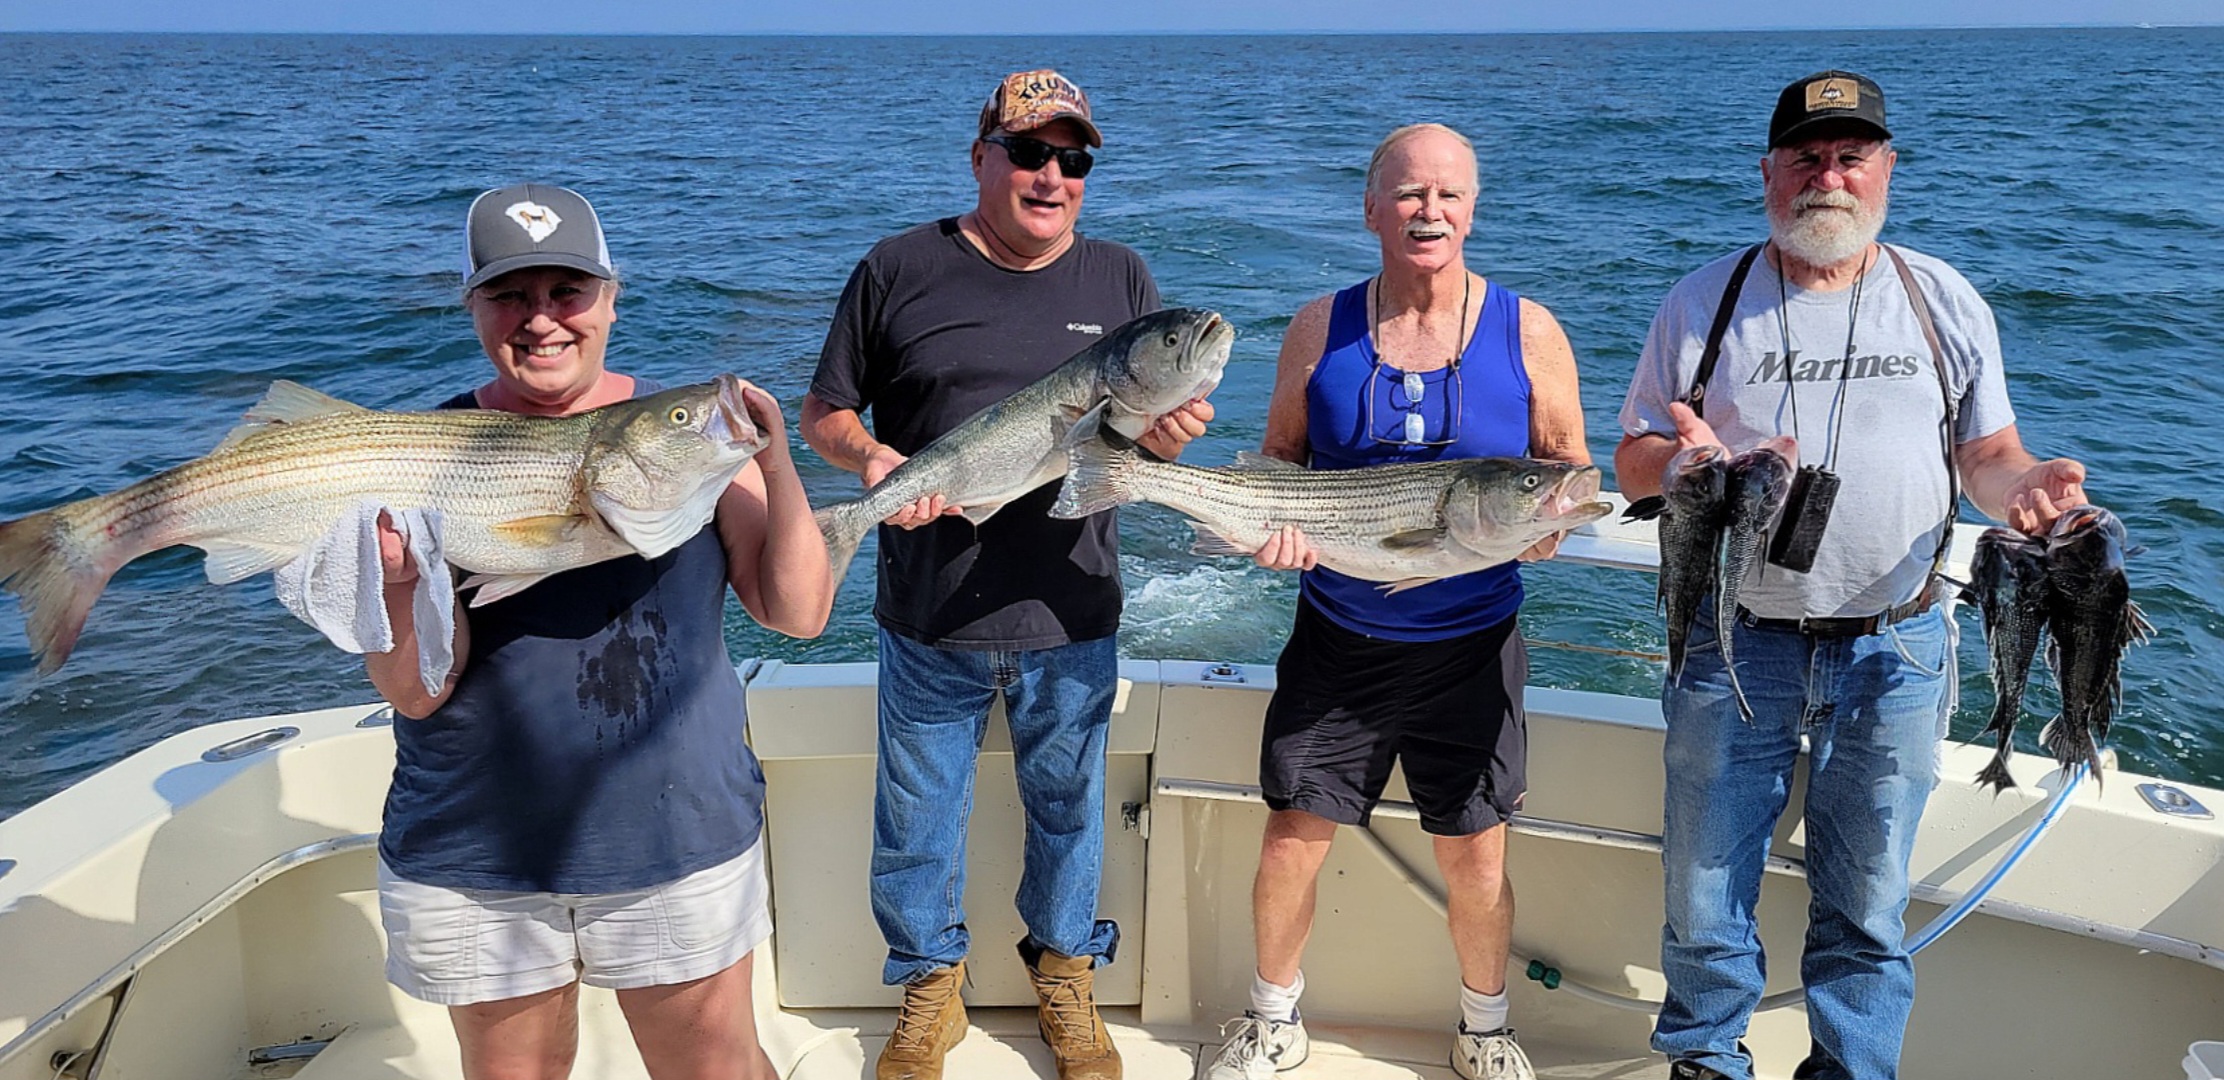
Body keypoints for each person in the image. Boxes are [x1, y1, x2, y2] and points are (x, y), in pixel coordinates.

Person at [1614, 72, 2090, 1080]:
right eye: (1806, 157)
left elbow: (1986, 454)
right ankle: (1705, 1061)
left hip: (1897, 646)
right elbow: (1634, 460)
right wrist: (1680, 464)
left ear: (1885, 170)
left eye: (1850, 156)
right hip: (1733, 639)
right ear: (1768, 173)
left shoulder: (1942, 297)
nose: (1827, 177)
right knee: (1702, 893)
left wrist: (2025, 489)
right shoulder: (1703, 302)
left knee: (1868, 906)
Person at [366, 183, 833, 1080]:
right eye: (509, 295)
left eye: (567, 292)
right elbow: (417, 691)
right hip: (476, 840)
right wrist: (395, 585)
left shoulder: (685, 431)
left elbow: (799, 613)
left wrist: (775, 460)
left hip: (675, 828)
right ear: (472, 308)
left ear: (612, 300)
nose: (542, 319)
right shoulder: (423, 451)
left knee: (715, 1068)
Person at [800, 70, 1211, 1080]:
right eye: (1029, 152)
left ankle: (1064, 976)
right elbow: (823, 414)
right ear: (981, 155)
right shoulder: (898, 267)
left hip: (1071, 613)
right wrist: (872, 464)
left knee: (1070, 816)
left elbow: (1125, 447)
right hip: (926, 613)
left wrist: (1163, 442)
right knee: (915, 823)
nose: (1052, 176)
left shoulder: (1122, 278)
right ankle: (928, 988)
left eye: (1073, 160)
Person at [1203, 123, 1591, 1080]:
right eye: (1411, 193)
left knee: (1478, 854)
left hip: (1473, 645)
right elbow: (1281, 461)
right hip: (1338, 637)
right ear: (1372, 210)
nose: (1430, 211)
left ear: (1473, 210)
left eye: (1450, 194)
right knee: (1292, 838)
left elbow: (1567, 467)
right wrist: (1275, 533)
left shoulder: (1530, 330)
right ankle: (1272, 1019)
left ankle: (1485, 1030)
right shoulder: (1319, 327)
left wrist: (1548, 526)